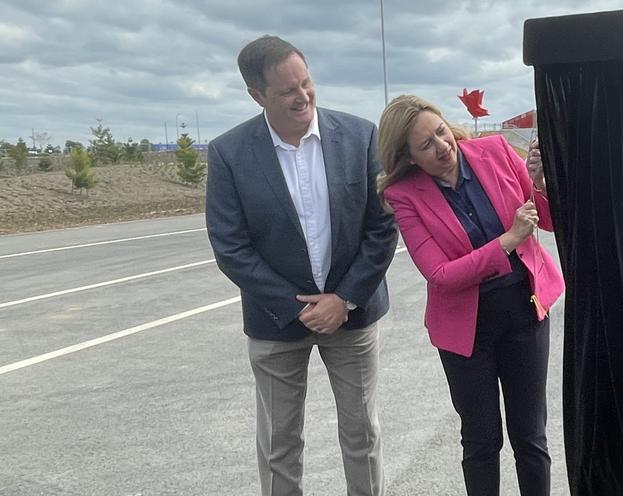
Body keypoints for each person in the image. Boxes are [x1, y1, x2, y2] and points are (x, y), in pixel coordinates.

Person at [206, 35, 398, 496]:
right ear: (257, 95)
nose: (303, 96)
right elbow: (230, 246)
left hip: (352, 316)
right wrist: (296, 308)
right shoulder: (229, 153)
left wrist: (345, 298)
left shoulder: (359, 136)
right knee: (278, 444)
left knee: (362, 435)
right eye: (287, 91)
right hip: (276, 324)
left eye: (307, 82)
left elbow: (381, 227)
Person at [376, 95, 564, 496]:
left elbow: (546, 220)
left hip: (524, 312)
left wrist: (543, 184)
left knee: (530, 436)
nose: (442, 146)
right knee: (481, 440)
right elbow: (441, 275)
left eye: (441, 132)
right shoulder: (405, 196)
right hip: (466, 330)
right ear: (407, 157)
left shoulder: (495, 150)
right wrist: (508, 241)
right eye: (426, 145)